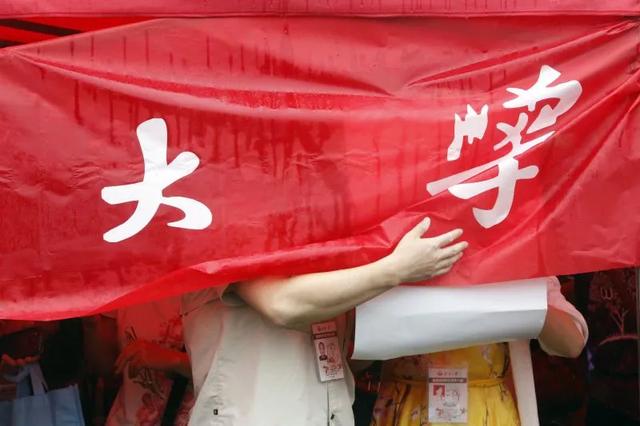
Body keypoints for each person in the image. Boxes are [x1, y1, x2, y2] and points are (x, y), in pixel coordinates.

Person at [182, 217, 467, 426]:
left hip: (329, 413)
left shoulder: (323, 242)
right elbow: (282, 305)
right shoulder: (222, 228)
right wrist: (395, 270)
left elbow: (352, 357)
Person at [369, 276, 588, 426]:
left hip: (490, 409)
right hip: (406, 407)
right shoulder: (401, 248)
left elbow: (572, 344)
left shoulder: (514, 253)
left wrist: (520, 287)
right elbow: (356, 354)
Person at [93, 297, 195, 426]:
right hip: (128, 418)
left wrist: (173, 359)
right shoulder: (119, 288)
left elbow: (219, 371)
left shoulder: (211, 292)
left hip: (199, 417)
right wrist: (91, 325)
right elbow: (107, 368)